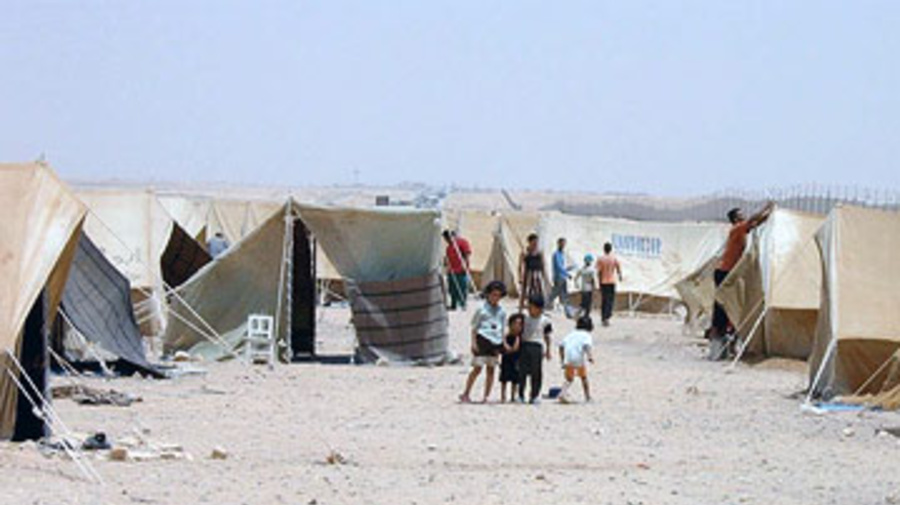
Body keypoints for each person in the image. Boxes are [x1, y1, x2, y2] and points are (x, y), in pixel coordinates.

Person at [708, 202, 774, 360]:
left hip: (731, 273)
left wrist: (769, 214)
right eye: (740, 215)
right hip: (724, 273)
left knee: (730, 307)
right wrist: (766, 207)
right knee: (722, 307)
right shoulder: (737, 229)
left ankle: (726, 343)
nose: (744, 216)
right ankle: (717, 344)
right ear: (735, 219)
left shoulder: (742, 230)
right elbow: (753, 219)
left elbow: (756, 222)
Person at [459, 281, 507, 403]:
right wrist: (473, 343)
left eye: (498, 295)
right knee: (477, 368)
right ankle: (466, 393)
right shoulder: (481, 309)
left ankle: (486, 396)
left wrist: (503, 344)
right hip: (482, 340)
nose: (495, 298)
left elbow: (502, 329)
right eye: (493, 295)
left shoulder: (502, 311)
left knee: (491, 370)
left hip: (495, 341)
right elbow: (474, 327)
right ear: (488, 294)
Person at [518, 295, 553, 404]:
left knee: (536, 372)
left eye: (532, 307)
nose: (529, 308)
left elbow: (547, 336)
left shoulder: (545, 320)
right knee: (522, 372)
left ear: (539, 308)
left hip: (537, 345)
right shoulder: (524, 317)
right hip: (524, 344)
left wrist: (548, 350)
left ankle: (534, 395)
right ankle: (520, 395)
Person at [557, 315, 595, 403]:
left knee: (569, 379)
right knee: (584, 377)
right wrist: (590, 356)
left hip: (568, 357)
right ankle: (588, 396)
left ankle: (562, 393)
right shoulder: (586, 335)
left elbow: (561, 346)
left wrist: (562, 359)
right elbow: (587, 346)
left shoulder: (571, 334)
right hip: (578, 358)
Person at [443, 230, 472, 311]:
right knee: (452, 289)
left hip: (461, 270)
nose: (447, 240)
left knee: (462, 287)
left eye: (448, 238)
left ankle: (463, 304)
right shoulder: (448, 248)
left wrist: (465, 266)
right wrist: (446, 265)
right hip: (451, 271)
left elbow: (467, 254)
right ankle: (453, 304)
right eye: (446, 239)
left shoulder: (462, 242)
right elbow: (448, 259)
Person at [518, 233, 548, 312]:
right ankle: (521, 309)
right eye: (534, 242)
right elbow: (520, 266)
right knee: (525, 291)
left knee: (539, 291)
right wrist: (520, 277)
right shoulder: (525, 253)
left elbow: (543, 265)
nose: (535, 244)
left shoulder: (539, 252)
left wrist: (544, 276)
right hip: (528, 274)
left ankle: (540, 308)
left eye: (536, 242)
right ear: (530, 242)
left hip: (537, 274)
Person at [499, 313, 524, 403]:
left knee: (515, 379)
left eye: (519, 324)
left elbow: (516, 348)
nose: (517, 326)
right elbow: (503, 343)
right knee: (504, 379)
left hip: (516, 359)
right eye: (515, 323)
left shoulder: (520, 337)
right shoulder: (506, 336)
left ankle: (513, 396)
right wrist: (506, 346)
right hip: (506, 359)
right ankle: (503, 396)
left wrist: (517, 337)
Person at [597, 242, 622, 326]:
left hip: (603, 281)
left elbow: (599, 272)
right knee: (610, 300)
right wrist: (620, 276)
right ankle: (607, 316)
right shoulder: (614, 258)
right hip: (611, 281)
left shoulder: (600, 259)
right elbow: (618, 268)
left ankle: (604, 317)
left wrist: (599, 282)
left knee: (604, 300)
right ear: (610, 249)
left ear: (604, 249)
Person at [547, 237, 574, 313]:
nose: (563, 245)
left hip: (562, 277)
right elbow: (559, 267)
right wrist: (567, 274)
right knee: (555, 293)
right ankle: (546, 305)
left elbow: (562, 267)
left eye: (564, 244)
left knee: (563, 294)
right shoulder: (556, 254)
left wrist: (568, 269)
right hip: (558, 277)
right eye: (562, 244)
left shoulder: (562, 254)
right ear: (558, 244)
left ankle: (567, 310)